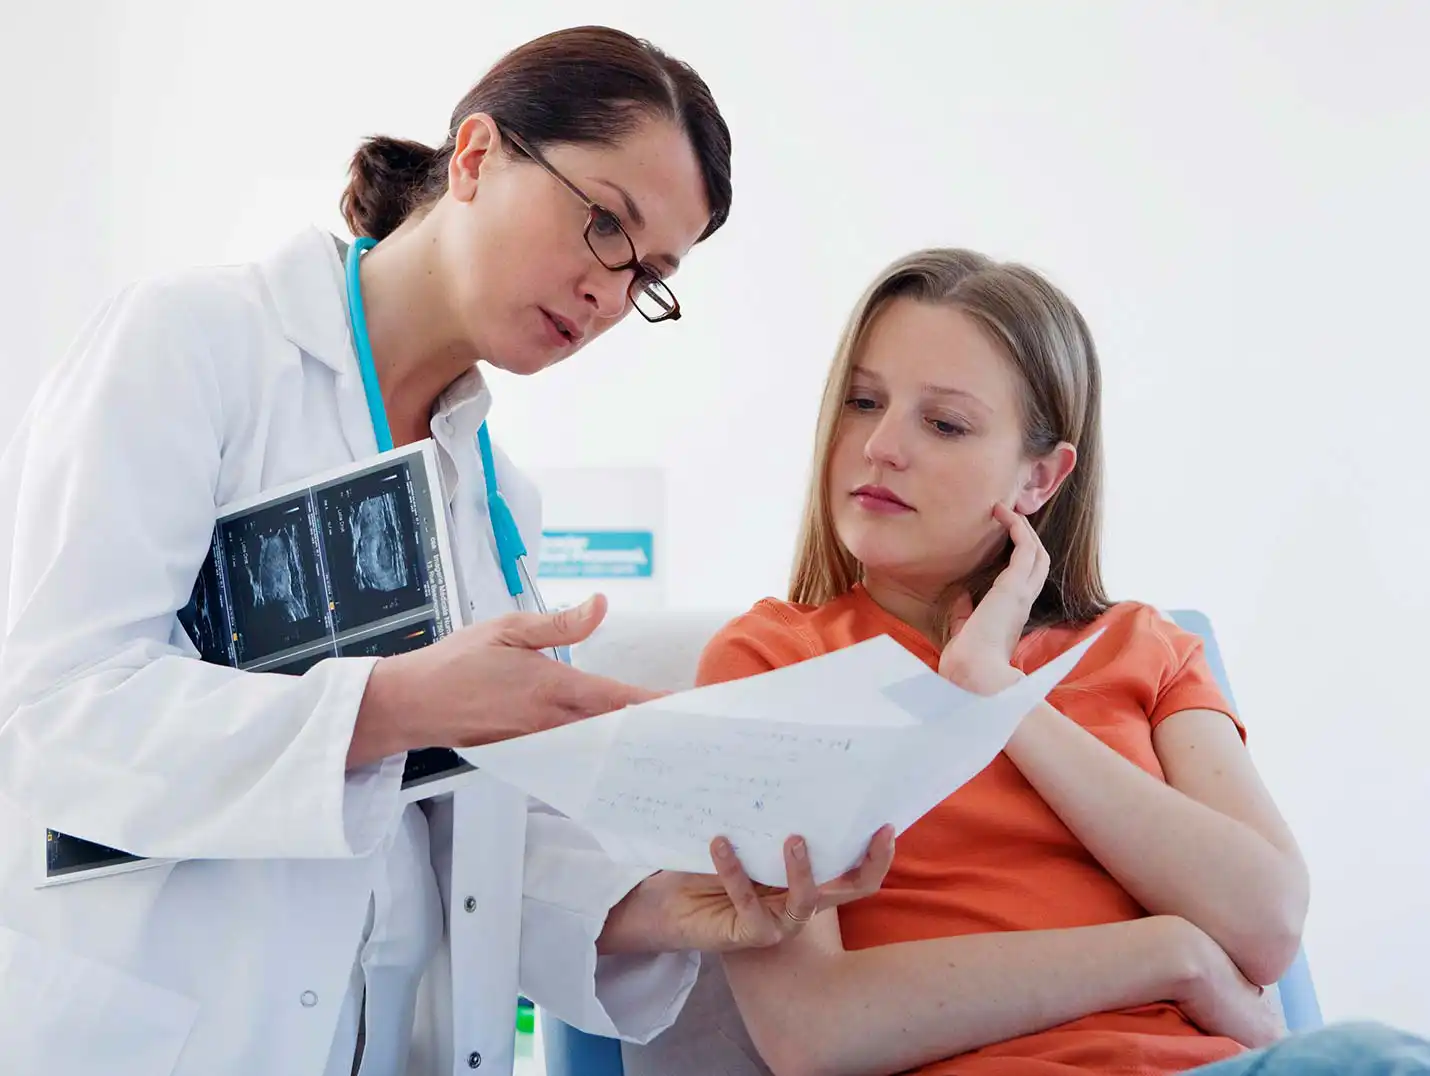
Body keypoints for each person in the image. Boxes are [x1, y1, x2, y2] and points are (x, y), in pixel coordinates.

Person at [0, 26, 893, 1076]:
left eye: (648, 274)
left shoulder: (495, 500)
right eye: (603, 221)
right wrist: (400, 703)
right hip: (159, 1029)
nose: (609, 292)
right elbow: (55, 714)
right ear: (473, 156)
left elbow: (465, 848)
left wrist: (672, 907)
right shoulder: (197, 344)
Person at [694, 248, 1430, 1075]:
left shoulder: (1145, 647)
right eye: (864, 403)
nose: (880, 447)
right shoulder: (770, 662)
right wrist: (1169, 954)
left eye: (943, 423)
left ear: (1041, 478)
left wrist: (997, 695)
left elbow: (1266, 924)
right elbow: (813, 1031)